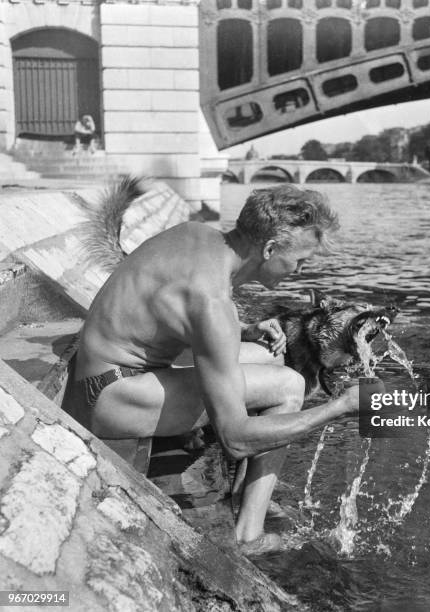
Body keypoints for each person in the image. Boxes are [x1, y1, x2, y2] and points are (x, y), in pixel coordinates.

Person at [62, 184, 367, 554]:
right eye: (300, 260)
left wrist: (242, 332)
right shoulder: (213, 303)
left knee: (270, 356)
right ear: (270, 249)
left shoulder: (196, 235)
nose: (300, 271)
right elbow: (236, 439)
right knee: (289, 385)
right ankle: (249, 535)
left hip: (100, 375)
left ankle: (243, 492)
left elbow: (170, 311)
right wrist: (341, 407)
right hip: (110, 400)